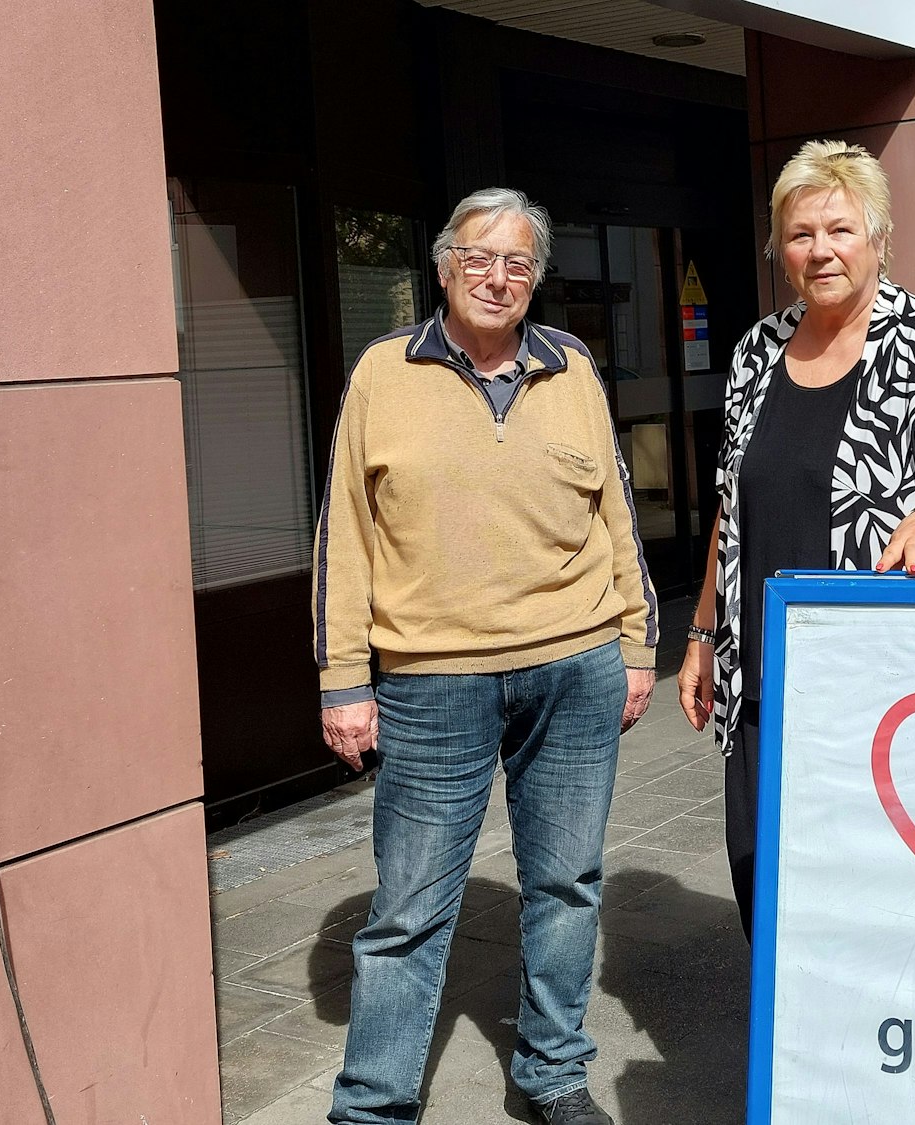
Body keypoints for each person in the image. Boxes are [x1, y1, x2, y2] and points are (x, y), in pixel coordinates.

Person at [314, 187, 655, 1125]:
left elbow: (616, 514)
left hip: (575, 665)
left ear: (535, 278)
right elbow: (345, 536)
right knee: (409, 907)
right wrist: (343, 680)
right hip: (431, 680)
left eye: (517, 263)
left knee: (567, 884)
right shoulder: (384, 372)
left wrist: (636, 644)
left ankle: (553, 1071)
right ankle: (374, 1103)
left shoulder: (571, 366)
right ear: (443, 266)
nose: (497, 277)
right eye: (478, 257)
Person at [675, 140, 915, 938]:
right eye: (800, 234)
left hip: (879, 685)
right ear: (780, 249)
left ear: (878, 239)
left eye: (839, 229)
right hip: (762, 681)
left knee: (876, 906)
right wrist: (701, 632)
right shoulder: (757, 351)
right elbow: (731, 503)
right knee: (765, 895)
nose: (820, 250)